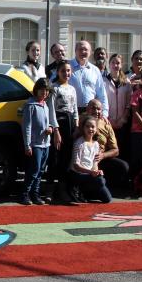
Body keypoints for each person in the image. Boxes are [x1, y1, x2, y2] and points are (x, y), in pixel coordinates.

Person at [20, 78, 60, 205]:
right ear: (36, 90)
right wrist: (27, 145)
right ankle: (25, 194)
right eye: (42, 90)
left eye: (47, 91)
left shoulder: (45, 105)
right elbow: (26, 126)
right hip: (35, 144)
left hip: (46, 144)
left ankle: (35, 194)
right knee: (34, 170)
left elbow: (48, 122)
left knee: (41, 170)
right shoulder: (30, 105)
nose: (45, 93)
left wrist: (50, 128)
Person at [80, 98, 129, 190]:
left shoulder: (106, 125)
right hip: (84, 158)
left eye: (98, 109)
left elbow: (116, 150)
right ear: (87, 109)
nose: (96, 111)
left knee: (123, 166)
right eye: (93, 108)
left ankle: (108, 187)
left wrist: (103, 155)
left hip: (100, 158)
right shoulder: (81, 121)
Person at [69, 116, 112, 203]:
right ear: (83, 128)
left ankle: (85, 193)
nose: (90, 129)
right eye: (87, 126)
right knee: (100, 181)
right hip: (79, 174)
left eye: (92, 127)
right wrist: (90, 172)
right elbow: (76, 165)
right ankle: (77, 189)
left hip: (90, 174)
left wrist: (97, 171)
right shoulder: (79, 143)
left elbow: (95, 164)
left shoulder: (96, 144)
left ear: (96, 129)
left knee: (107, 198)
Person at [51, 62, 78, 201]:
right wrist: (56, 131)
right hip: (59, 122)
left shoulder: (72, 89)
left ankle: (66, 188)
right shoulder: (54, 88)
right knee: (57, 157)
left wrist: (76, 125)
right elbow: (51, 110)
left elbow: (75, 109)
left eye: (68, 71)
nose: (66, 73)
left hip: (70, 123)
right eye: (63, 71)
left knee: (68, 156)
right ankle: (54, 189)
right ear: (58, 72)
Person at [68, 41, 108, 116]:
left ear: (90, 52)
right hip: (70, 111)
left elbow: (101, 93)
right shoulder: (67, 66)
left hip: (91, 112)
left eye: (86, 50)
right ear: (75, 51)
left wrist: (105, 113)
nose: (83, 52)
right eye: (80, 49)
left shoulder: (95, 70)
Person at [104, 53, 131, 155]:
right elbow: (101, 102)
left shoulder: (126, 82)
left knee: (122, 149)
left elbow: (129, 103)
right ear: (109, 64)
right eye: (113, 63)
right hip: (107, 122)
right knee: (108, 149)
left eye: (118, 63)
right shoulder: (103, 81)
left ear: (121, 65)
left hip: (122, 123)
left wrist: (123, 119)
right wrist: (108, 119)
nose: (115, 65)